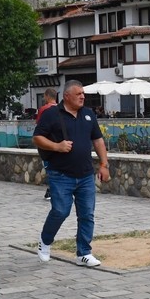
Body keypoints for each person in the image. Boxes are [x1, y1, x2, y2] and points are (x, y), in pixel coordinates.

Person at [33, 80, 110, 268]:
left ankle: (84, 253)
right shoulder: (52, 114)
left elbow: (98, 140)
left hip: (85, 174)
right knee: (60, 211)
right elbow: (37, 138)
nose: (83, 96)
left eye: (83, 93)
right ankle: (45, 241)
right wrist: (56, 146)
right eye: (78, 94)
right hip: (60, 174)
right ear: (66, 96)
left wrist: (104, 164)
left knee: (87, 214)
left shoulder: (89, 114)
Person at [35, 89, 58, 200]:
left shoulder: (43, 109)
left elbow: (39, 126)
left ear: (47, 96)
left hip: (47, 143)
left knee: (49, 167)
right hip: (58, 143)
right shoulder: (60, 109)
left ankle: (51, 191)